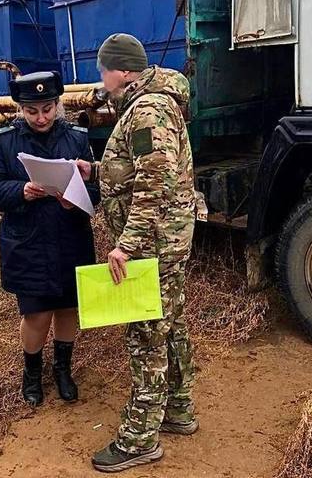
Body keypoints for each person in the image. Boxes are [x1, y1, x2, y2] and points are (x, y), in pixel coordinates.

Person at [76, 34, 197, 473]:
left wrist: (126, 244)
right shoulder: (152, 103)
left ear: (122, 71)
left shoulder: (146, 110)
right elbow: (143, 168)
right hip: (168, 237)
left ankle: (140, 437)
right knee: (172, 321)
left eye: (103, 70)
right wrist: (98, 170)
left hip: (153, 242)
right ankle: (179, 409)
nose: (100, 79)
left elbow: (155, 183)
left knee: (146, 332)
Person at [0, 71, 99, 406]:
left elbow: (95, 188)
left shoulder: (76, 137)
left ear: (58, 105)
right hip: (27, 241)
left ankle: (62, 370)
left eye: (47, 109)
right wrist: (21, 190)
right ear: (20, 110)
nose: (41, 117)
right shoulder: (2, 141)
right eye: (32, 111)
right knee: (37, 313)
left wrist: (77, 196)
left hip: (70, 235)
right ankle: (31, 374)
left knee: (69, 307)